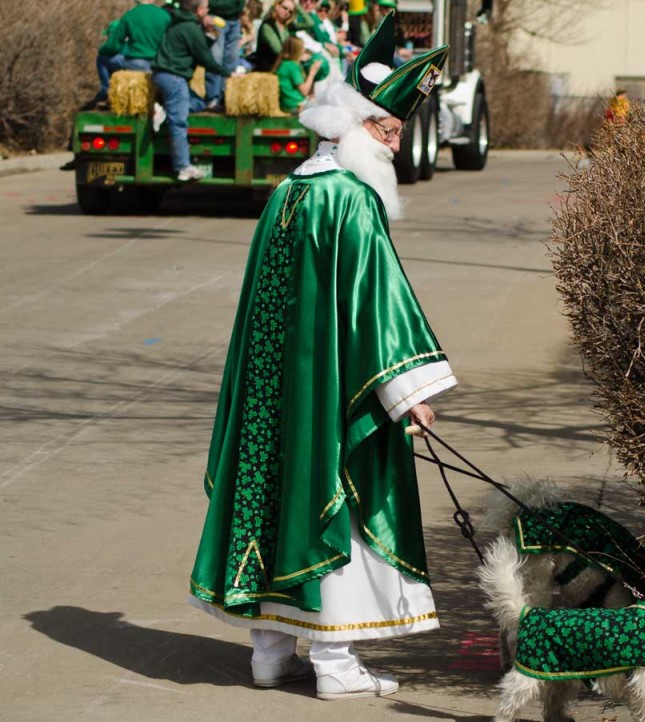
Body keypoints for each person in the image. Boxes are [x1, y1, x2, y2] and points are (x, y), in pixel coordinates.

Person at [188, 12, 453, 701]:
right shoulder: (350, 203)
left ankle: (271, 656)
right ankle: (337, 667)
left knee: (273, 505)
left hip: (272, 401)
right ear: (358, 127)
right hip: (330, 398)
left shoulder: (286, 194)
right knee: (336, 508)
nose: (395, 147)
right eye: (388, 132)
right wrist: (406, 394)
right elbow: (374, 307)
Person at [152, 0, 233, 181]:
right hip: (174, 77)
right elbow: (205, 59)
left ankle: (164, 110)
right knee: (179, 123)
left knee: (197, 102)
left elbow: (200, 46)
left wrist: (210, 31)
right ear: (198, 11)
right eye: (205, 7)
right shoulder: (190, 28)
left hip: (164, 75)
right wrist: (229, 74)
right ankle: (183, 167)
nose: (208, 10)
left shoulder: (184, 23)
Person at [205, 0, 247, 111]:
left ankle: (226, 97)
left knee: (231, 60)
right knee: (216, 57)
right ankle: (213, 98)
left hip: (234, 19)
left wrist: (238, 9)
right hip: (217, 17)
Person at [110, 0, 172, 73]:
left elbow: (114, 44)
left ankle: (106, 84)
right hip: (157, 63)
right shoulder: (165, 16)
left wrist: (103, 50)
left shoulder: (130, 14)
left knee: (102, 59)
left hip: (134, 62)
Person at [273, 37, 322, 112]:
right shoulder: (292, 66)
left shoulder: (283, 64)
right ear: (297, 51)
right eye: (302, 48)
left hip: (286, 104)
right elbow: (305, 91)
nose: (303, 51)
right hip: (295, 105)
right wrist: (312, 72)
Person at [253, 0, 296, 71]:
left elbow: (309, 23)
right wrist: (296, 54)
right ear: (277, 6)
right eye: (285, 8)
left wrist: (296, 5)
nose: (287, 12)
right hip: (268, 69)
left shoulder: (287, 27)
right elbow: (278, 50)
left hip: (282, 66)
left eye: (290, 11)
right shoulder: (268, 26)